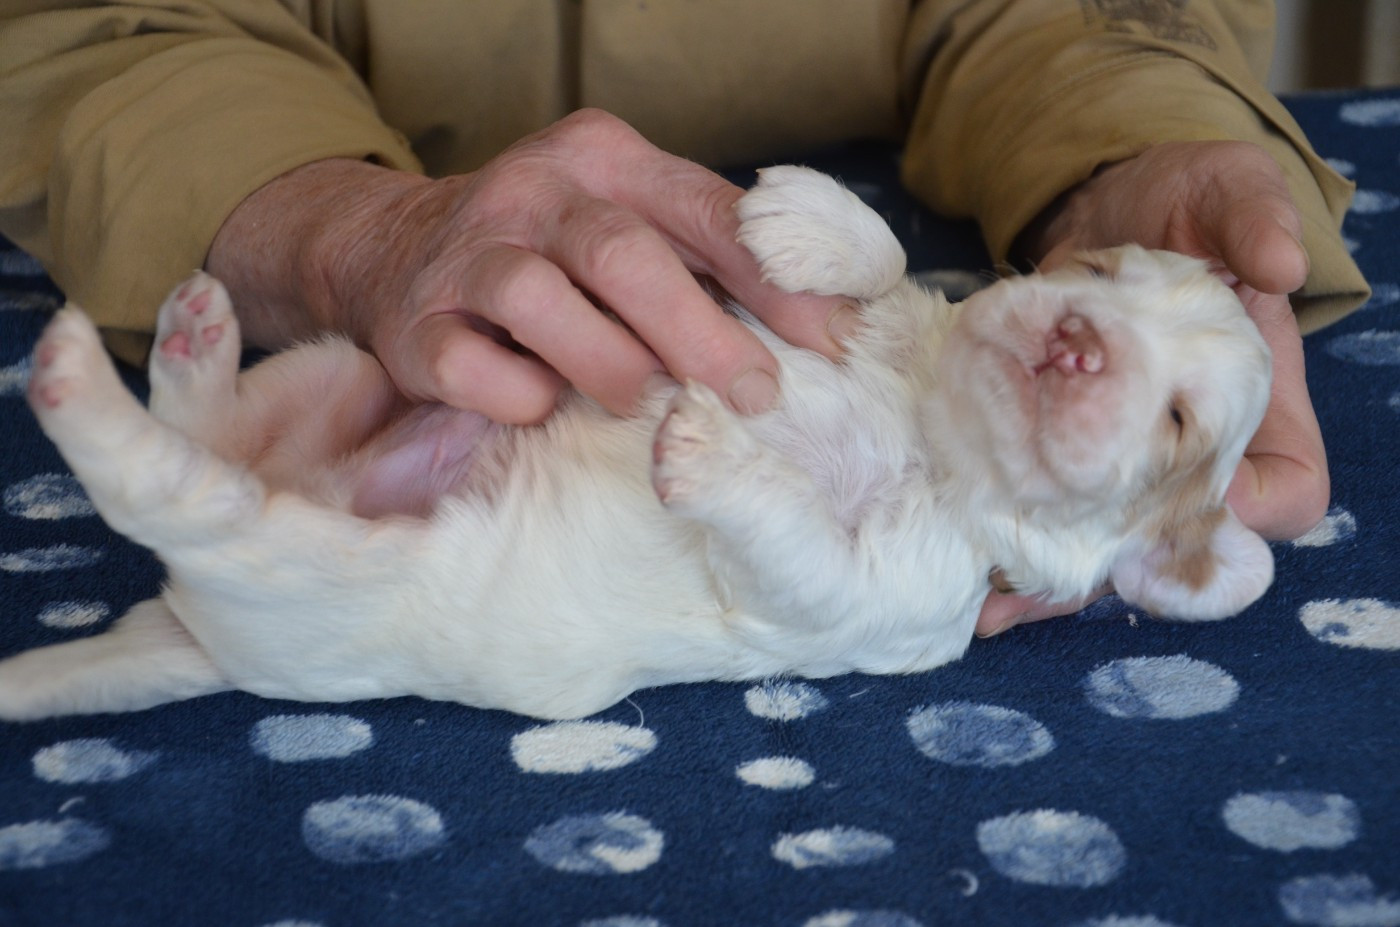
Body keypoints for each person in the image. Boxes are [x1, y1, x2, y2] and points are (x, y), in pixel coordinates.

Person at [0, 1, 1370, 635]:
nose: (1101, 341)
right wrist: (341, 229)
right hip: (339, 225)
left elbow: (1060, 12)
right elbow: (83, 22)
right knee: (280, 480)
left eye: (1173, 401)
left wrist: (1117, 151)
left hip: (723, 387)